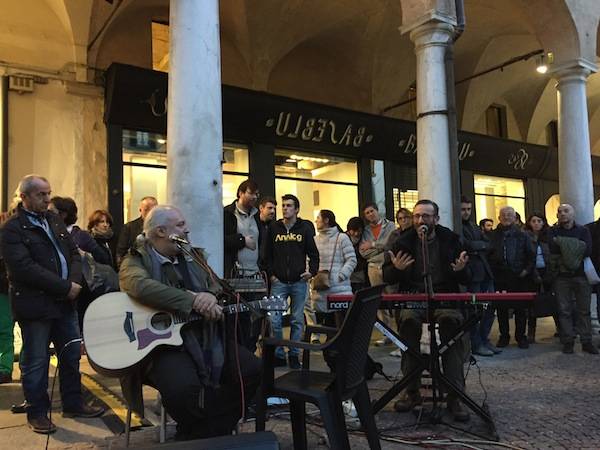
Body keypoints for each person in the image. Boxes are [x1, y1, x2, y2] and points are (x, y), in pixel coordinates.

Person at [119, 205, 261, 440]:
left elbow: (214, 287)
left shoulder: (194, 257)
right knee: (183, 390)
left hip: (205, 336)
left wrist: (212, 298)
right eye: (181, 225)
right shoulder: (136, 259)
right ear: (162, 231)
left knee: (252, 370)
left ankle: (203, 431)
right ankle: (209, 432)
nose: (187, 229)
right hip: (162, 345)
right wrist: (192, 299)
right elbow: (138, 286)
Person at [1, 175, 104, 434]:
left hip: (65, 303)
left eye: (48, 193)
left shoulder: (54, 219)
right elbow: (24, 269)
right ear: (24, 197)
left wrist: (75, 281)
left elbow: (73, 253)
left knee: (70, 356)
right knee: (36, 361)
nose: (47, 199)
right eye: (40, 194)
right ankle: (37, 412)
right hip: (36, 306)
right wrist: (65, 287)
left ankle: (73, 403)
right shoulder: (12, 228)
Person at [383, 199, 471, 422]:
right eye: (417, 216)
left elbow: (467, 276)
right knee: (409, 325)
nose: (420, 220)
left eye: (426, 216)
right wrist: (397, 270)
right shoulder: (402, 241)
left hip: (445, 298)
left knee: (452, 328)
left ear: (436, 219)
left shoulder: (451, 240)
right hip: (413, 297)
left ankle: (454, 395)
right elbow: (387, 276)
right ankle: (411, 392)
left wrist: (460, 271)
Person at [262, 194, 319, 369]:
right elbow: (267, 255)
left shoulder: (304, 229)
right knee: (274, 320)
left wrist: (311, 272)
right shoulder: (274, 228)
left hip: (299, 283)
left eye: (288, 206)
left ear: (296, 209)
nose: (285, 208)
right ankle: (279, 354)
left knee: (296, 320)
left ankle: (294, 354)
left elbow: (314, 254)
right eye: (283, 206)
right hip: (278, 282)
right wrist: (272, 275)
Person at [548, 204, 598, 354]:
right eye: (559, 211)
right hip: (561, 277)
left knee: (584, 310)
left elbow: (587, 250)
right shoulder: (552, 231)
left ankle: (586, 341)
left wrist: (562, 243)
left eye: (566, 211)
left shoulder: (583, 230)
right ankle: (568, 341)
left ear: (573, 214)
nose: (562, 214)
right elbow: (553, 249)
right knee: (564, 310)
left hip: (581, 276)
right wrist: (576, 246)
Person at [223, 179, 264, 351]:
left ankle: (250, 351)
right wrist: (242, 240)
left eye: (257, 194)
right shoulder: (227, 214)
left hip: (254, 273)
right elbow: (220, 240)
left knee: (256, 317)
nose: (255, 197)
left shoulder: (257, 216)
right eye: (251, 193)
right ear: (240, 193)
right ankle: (238, 352)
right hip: (235, 274)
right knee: (236, 317)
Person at [487, 206, 535, 349]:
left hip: (519, 277)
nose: (507, 217)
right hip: (500, 277)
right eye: (504, 215)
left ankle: (521, 337)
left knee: (520, 309)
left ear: (515, 218)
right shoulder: (492, 235)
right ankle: (504, 336)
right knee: (501, 309)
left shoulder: (523, 235)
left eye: (510, 215)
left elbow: (531, 255)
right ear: (499, 218)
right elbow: (488, 255)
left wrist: (526, 271)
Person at [459, 197, 497, 357]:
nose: (466, 212)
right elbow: (466, 245)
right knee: (475, 312)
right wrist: (479, 246)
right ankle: (477, 344)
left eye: (468, 209)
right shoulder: (458, 226)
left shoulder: (474, 226)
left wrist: (477, 247)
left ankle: (483, 339)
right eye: (463, 209)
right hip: (472, 275)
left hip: (484, 272)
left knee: (489, 309)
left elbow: (488, 244)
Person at [310, 210, 356, 327]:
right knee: (327, 325)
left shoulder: (342, 238)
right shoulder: (314, 240)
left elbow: (351, 259)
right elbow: (309, 260)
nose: (316, 221)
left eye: (318, 218)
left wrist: (341, 276)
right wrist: (311, 277)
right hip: (320, 288)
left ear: (326, 220)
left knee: (342, 324)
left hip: (340, 288)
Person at [359, 202, 396, 345]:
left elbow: (390, 244)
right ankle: (386, 335)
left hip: (389, 265)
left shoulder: (390, 226)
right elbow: (363, 252)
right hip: (373, 267)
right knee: (380, 301)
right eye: (367, 213)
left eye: (371, 211)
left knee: (394, 299)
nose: (370, 214)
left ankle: (398, 333)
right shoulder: (366, 231)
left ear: (377, 210)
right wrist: (381, 248)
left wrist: (373, 245)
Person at [49, 197, 112, 266]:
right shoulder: (48, 232)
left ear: (64, 215)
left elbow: (103, 258)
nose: (46, 214)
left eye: (51, 211)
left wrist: (83, 255)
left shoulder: (81, 236)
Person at [525, 212, 555, 342]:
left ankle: (560, 329)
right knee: (532, 303)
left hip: (548, 271)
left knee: (553, 300)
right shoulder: (525, 236)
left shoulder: (549, 236)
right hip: (532, 272)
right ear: (529, 223)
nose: (536, 223)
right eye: (533, 221)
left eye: (539, 221)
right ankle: (531, 333)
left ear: (543, 223)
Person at [116, 196, 157, 265]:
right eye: (146, 210)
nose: (150, 213)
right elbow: (121, 253)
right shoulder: (129, 227)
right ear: (140, 210)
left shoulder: (163, 227)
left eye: (153, 210)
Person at [0, 211, 14, 384]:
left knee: (5, 331)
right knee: (5, 331)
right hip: (5, 289)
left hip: (8, 290)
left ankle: (5, 369)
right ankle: (5, 369)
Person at [346, 217, 369, 293]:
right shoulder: (343, 239)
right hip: (346, 275)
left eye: (359, 231)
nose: (356, 234)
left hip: (360, 275)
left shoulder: (365, 238)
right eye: (354, 231)